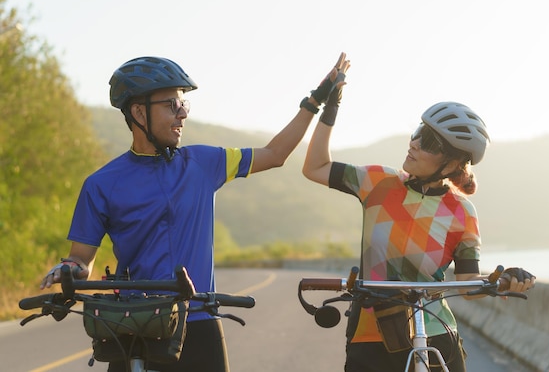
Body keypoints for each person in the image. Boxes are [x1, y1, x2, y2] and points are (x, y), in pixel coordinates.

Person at [39, 53, 349, 372]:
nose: (182, 113)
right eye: (171, 104)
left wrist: (315, 101)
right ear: (138, 112)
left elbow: (275, 154)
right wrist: (68, 271)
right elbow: (80, 258)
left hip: (198, 323)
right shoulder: (101, 184)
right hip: (133, 327)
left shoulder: (202, 163)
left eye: (184, 104)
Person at [302, 63, 535, 372]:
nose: (414, 142)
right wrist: (330, 105)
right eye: (419, 132)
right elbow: (314, 167)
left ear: (452, 164)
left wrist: (504, 281)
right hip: (370, 333)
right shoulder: (377, 181)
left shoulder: (462, 212)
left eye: (428, 141)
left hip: (436, 333)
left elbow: (466, 284)